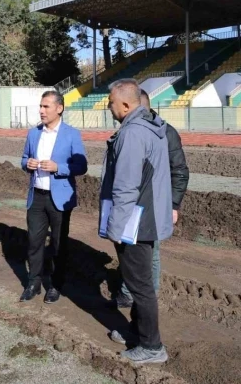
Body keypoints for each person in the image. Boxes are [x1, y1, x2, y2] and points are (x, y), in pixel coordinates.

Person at [99, 79, 172, 364]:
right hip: (147, 217)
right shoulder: (151, 127)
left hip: (135, 223)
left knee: (140, 286)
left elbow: (126, 186)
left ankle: (152, 347)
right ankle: (137, 331)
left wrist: (115, 227)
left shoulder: (132, 133)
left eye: (111, 101)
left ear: (126, 105)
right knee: (140, 283)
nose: (108, 105)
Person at [111, 89, 189, 309]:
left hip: (154, 204)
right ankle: (131, 290)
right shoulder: (132, 131)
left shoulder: (166, 132)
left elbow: (179, 170)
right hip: (135, 201)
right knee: (131, 251)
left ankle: (144, 297)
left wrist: (173, 204)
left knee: (150, 253)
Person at [20, 90, 88, 303]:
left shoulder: (71, 134)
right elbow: (23, 159)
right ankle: (33, 282)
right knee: (34, 242)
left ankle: (56, 285)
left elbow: (82, 165)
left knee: (59, 244)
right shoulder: (33, 134)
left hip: (59, 198)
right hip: (37, 197)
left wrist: (59, 167)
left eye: (46, 106)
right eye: (40, 106)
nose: (41, 111)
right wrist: (28, 164)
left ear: (59, 108)